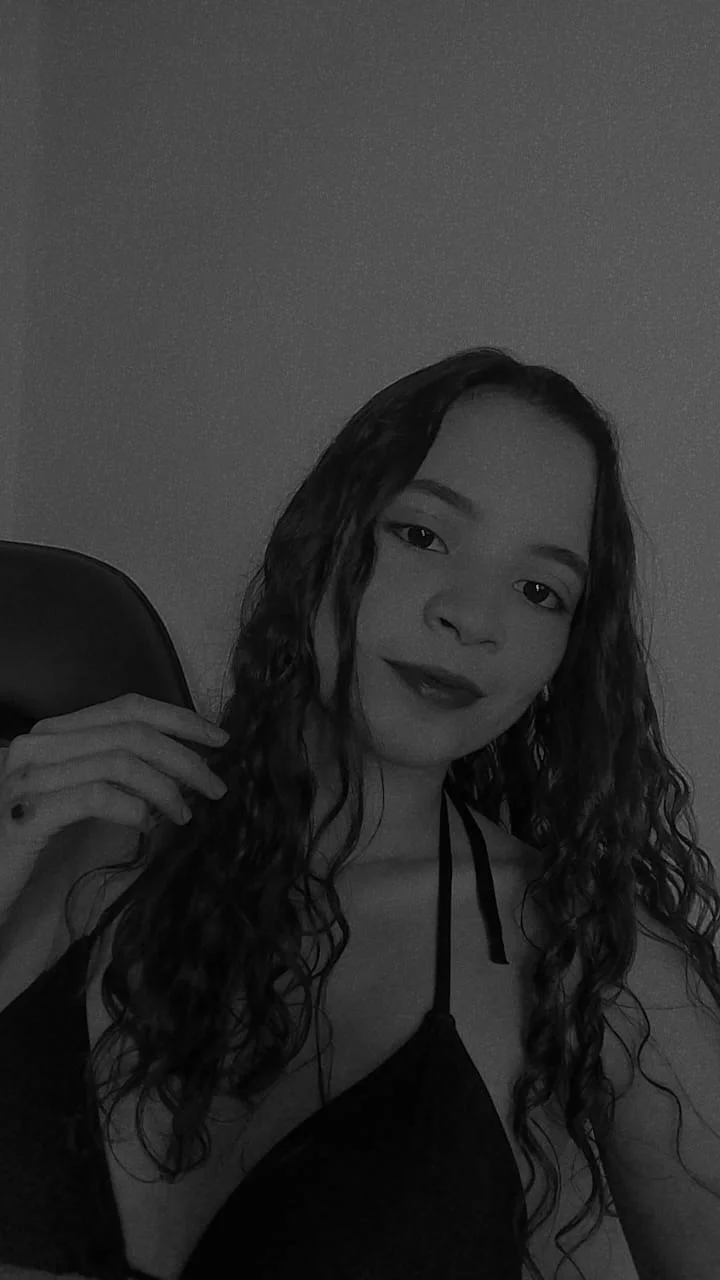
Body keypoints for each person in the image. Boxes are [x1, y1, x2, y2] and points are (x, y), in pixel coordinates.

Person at [1, 345, 719, 1280]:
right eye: (422, 533)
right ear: (322, 534)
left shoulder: (589, 955)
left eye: (541, 590)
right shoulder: (78, 828)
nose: (472, 617)